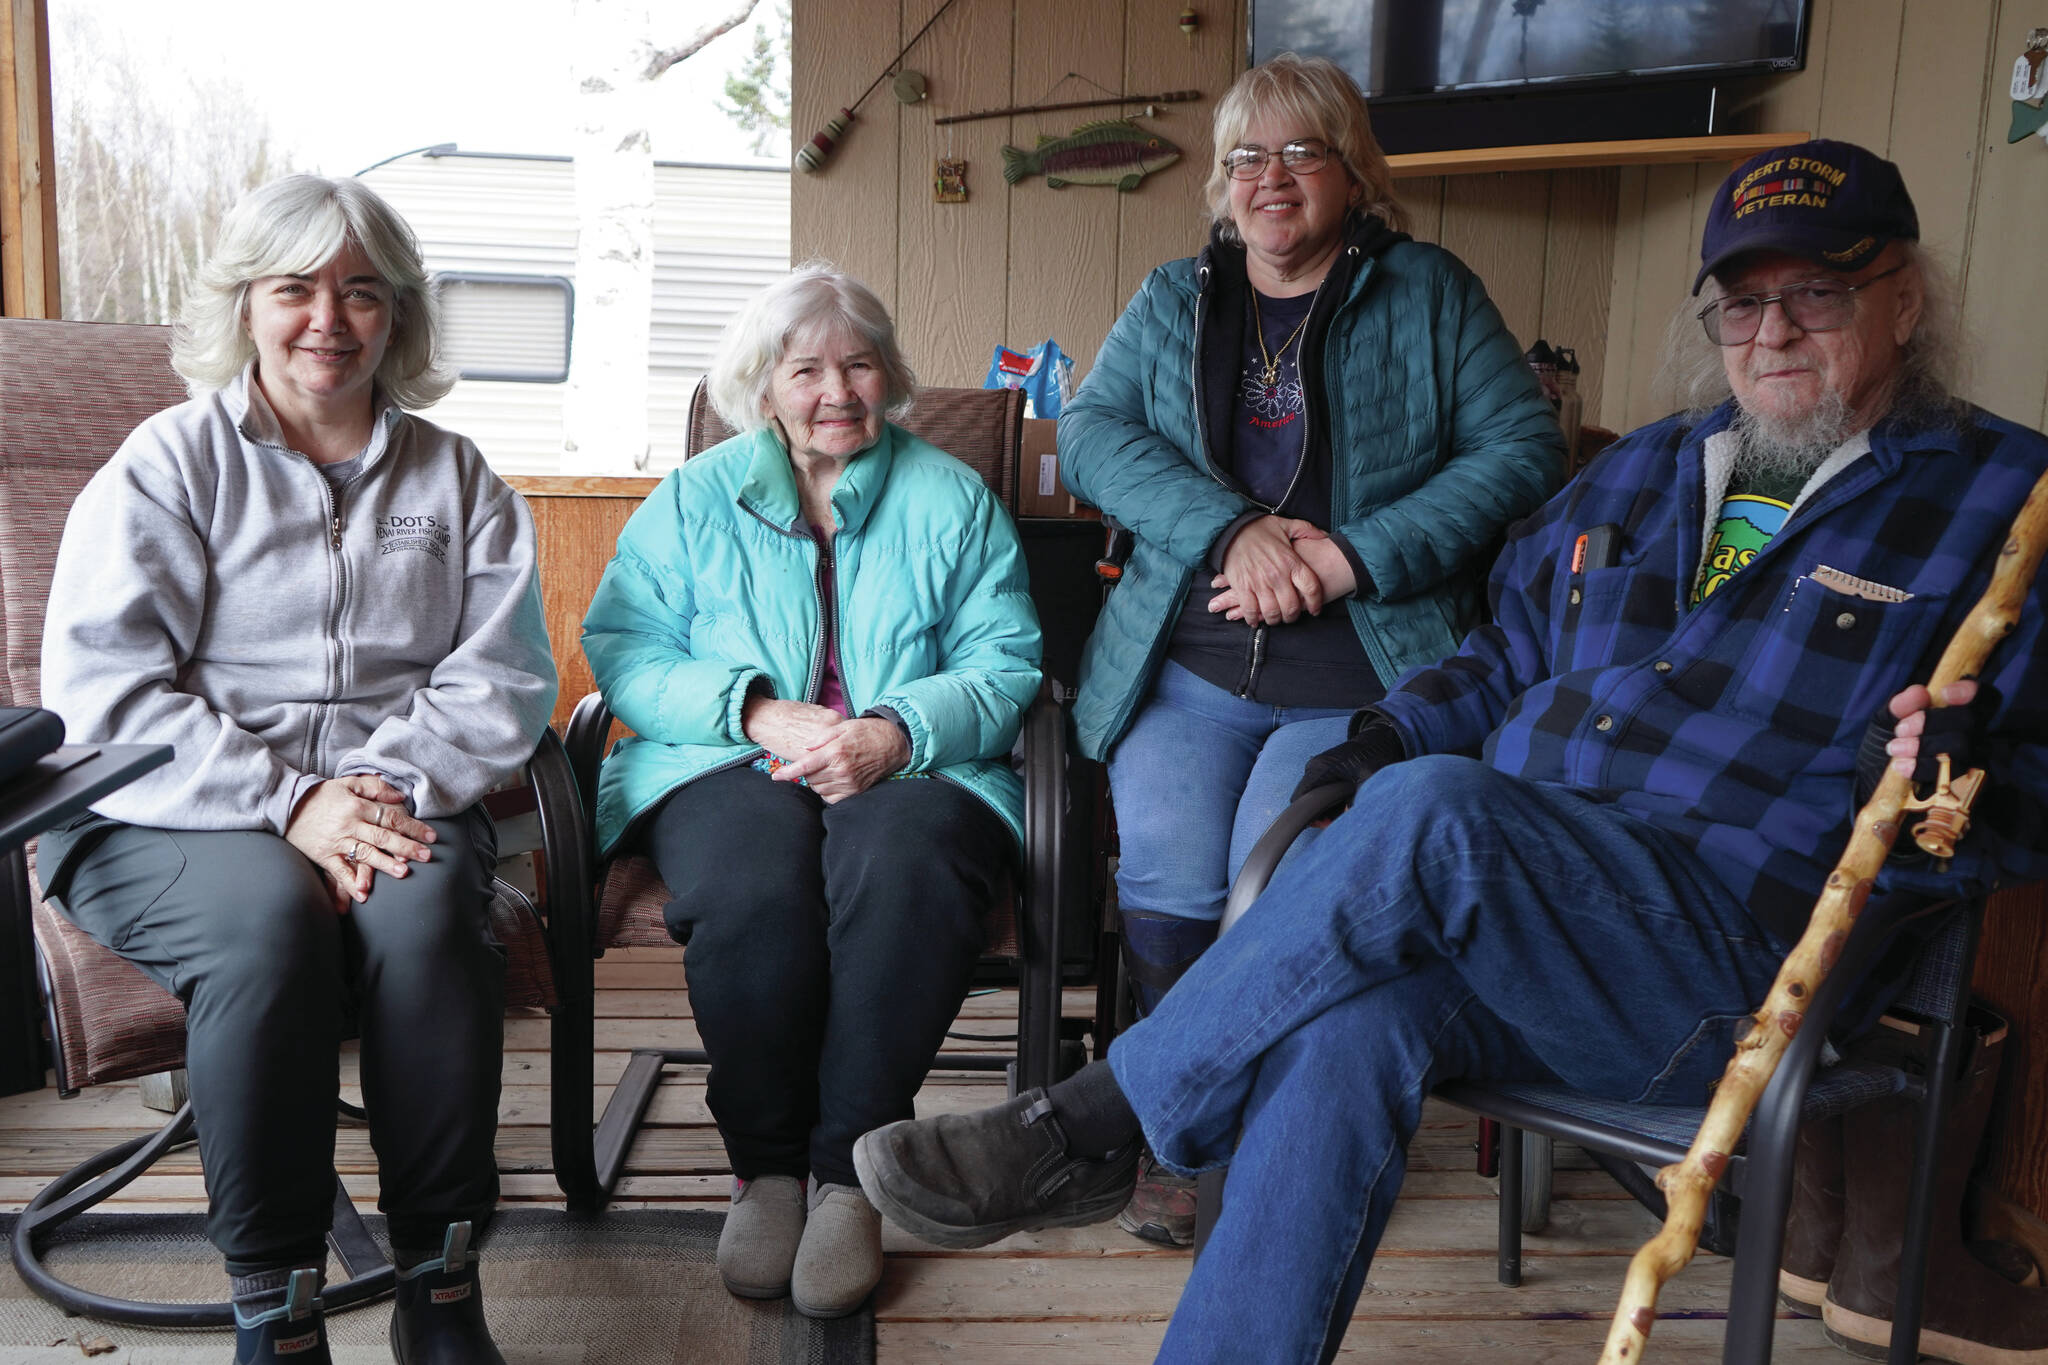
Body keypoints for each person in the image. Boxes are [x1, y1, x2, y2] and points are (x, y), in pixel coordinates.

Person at [851, 138, 2048, 1363]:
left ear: (1904, 296)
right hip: (1522, 926)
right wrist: (1372, 742)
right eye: (1744, 302)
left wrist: (1960, 774)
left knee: (1440, 813)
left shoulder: (2007, 505)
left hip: (1736, 966)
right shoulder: (1640, 472)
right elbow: (1498, 656)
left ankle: (1092, 1122)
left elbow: (2027, 791)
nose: (1773, 332)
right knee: (1342, 1024)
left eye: (1817, 295)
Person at [39, 175, 557, 1365]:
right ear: (245, 306)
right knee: (265, 926)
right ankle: (273, 1304)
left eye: (360, 292)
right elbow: (103, 693)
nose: (327, 319)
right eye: (294, 289)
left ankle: (439, 1283)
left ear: (397, 316)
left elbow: (507, 677)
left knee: (429, 926)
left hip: (393, 800)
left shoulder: (456, 478)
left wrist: (368, 797)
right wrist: (290, 804)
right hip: (165, 809)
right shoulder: (166, 466)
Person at [1056, 53, 1562, 1245]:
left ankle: (1221, 1132)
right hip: (1184, 666)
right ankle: (1204, 1120)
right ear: (1221, 185)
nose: (1268, 179)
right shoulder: (1172, 297)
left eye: (1298, 153)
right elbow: (1087, 433)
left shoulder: (1428, 291)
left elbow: (1519, 451)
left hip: (1359, 673)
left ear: (1351, 173)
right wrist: (1229, 531)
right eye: (1245, 156)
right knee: (1169, 882)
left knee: (1266, 885)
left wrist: (1347, 557)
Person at [579, 263, 1041, 1319]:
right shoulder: (694, 498)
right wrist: (748, 711)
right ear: (763, 384)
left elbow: (1006, 659)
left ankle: (847, 1175)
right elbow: (624, 649)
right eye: (806, 370)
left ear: (889, 377)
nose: (836, 391)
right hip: (722, 758)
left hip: (920, 760)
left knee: (904, 868)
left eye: (859, 365)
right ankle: (768, 1168)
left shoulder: (950, 497)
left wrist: (894, 732)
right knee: (753, 882)